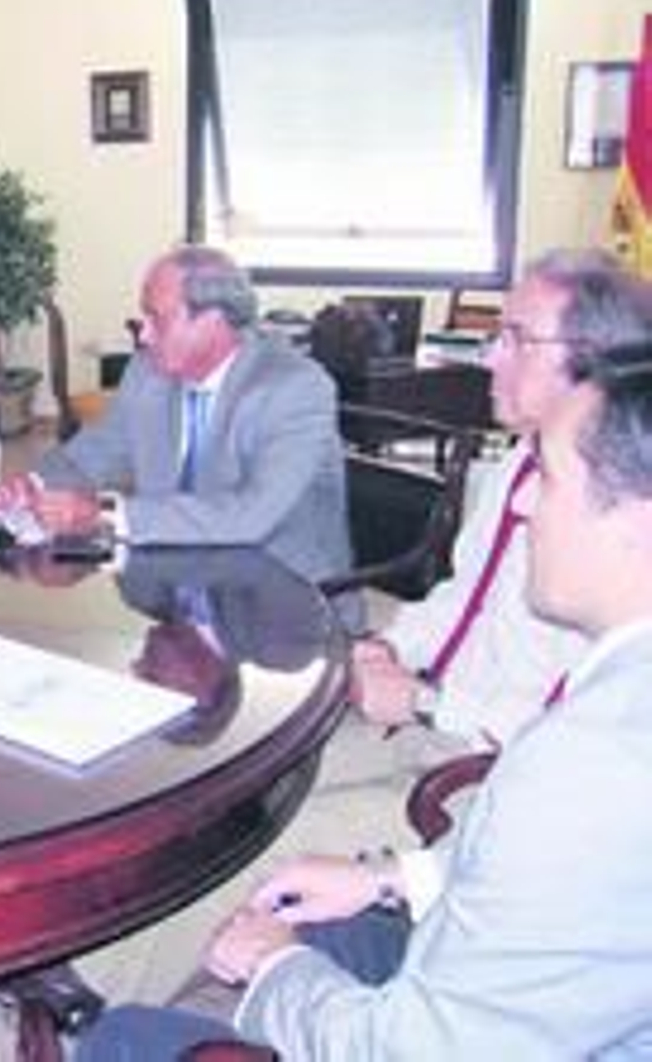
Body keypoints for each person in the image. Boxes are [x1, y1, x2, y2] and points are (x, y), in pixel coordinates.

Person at [73, 340, 652, 1060]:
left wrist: (275, 965)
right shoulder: (618, 696)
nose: (529, 499)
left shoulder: (587, 765)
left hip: (450, 1018)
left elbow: (412, 1047)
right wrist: (389, 877)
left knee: (125, 1036)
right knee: (238, 789)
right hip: (492, 931)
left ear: (637, 518)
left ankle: (68, 1007)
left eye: (557, 480)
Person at [349, 250, 652, 751]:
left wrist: (425, 705)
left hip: (495, 760)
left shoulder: (614, 513)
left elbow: (587, 726)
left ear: (595, 357)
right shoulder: (517, 464)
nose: (489, 357)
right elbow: (465, 596)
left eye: (516, 338)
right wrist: (388, 648)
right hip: (431, 716)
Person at [0, 246, 349, 587]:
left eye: (156, 318)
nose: (143, 334)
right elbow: (99, 450)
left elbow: (249, 516)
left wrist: (105, 513)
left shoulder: (294, 388)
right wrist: (35, 485)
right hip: (179, 585)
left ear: (212, 321)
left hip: (285, 610)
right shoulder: (148, 372)